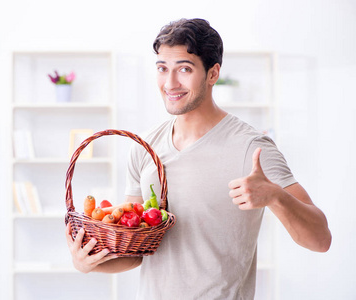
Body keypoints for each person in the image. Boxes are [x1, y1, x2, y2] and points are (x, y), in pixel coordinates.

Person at [66, 18, 331, 299]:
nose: (170, 83)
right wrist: (89, 263)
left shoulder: (250, 148)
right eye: (162, 69)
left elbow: (320, 240)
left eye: (184, 69)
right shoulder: (144, 148)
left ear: (213, 74)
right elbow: (137, 252)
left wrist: (276, 196)